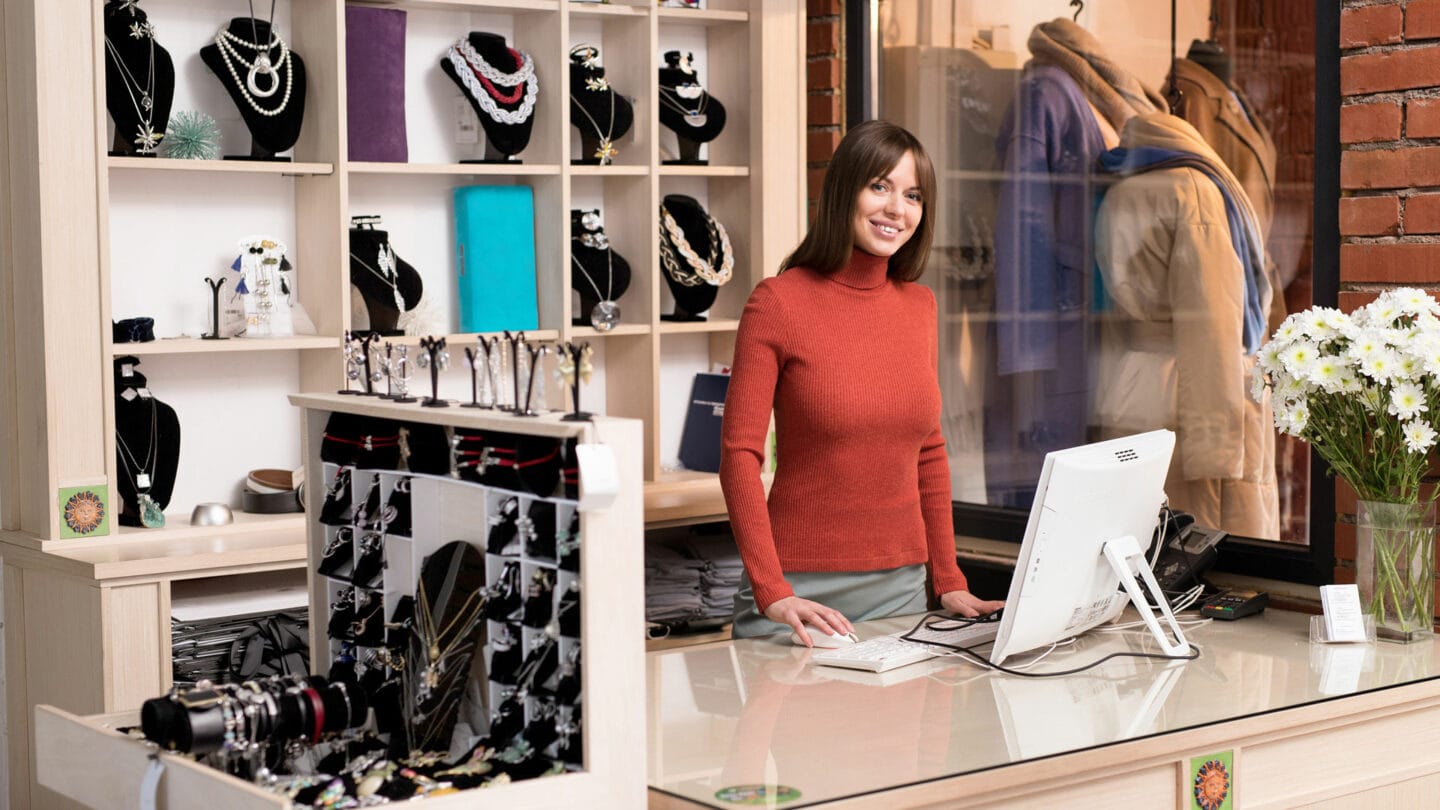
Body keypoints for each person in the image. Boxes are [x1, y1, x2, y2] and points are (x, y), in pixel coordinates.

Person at [719, 120, 1004, 644]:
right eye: (880, 186)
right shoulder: (777, 302)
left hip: (899, 589)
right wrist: (771, 588)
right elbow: (739, 454)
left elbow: (929, 452)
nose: (898, 209)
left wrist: (948, 580)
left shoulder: (919, 306)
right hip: (796, 594)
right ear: (844, 190)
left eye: (913, 194)